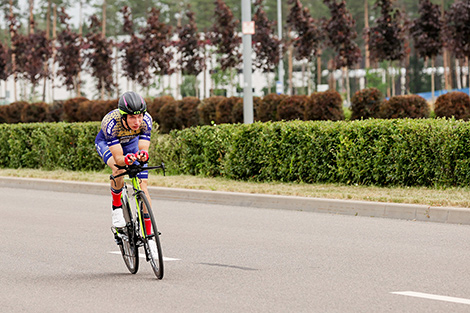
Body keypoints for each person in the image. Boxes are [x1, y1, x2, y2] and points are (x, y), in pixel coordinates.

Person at [95, 91, 155, 243]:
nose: (137, 121)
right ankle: (116, 208)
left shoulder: (146, 120)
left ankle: (149, 236)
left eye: (140, 116)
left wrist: (142, 155)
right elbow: (119, 158)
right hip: (108, 144)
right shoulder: (111, 123)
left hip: (131, 143)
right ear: (123, 116)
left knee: (143, 187)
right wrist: (126, 160)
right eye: (132, 117)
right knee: (119, 169)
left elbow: (143, 148)